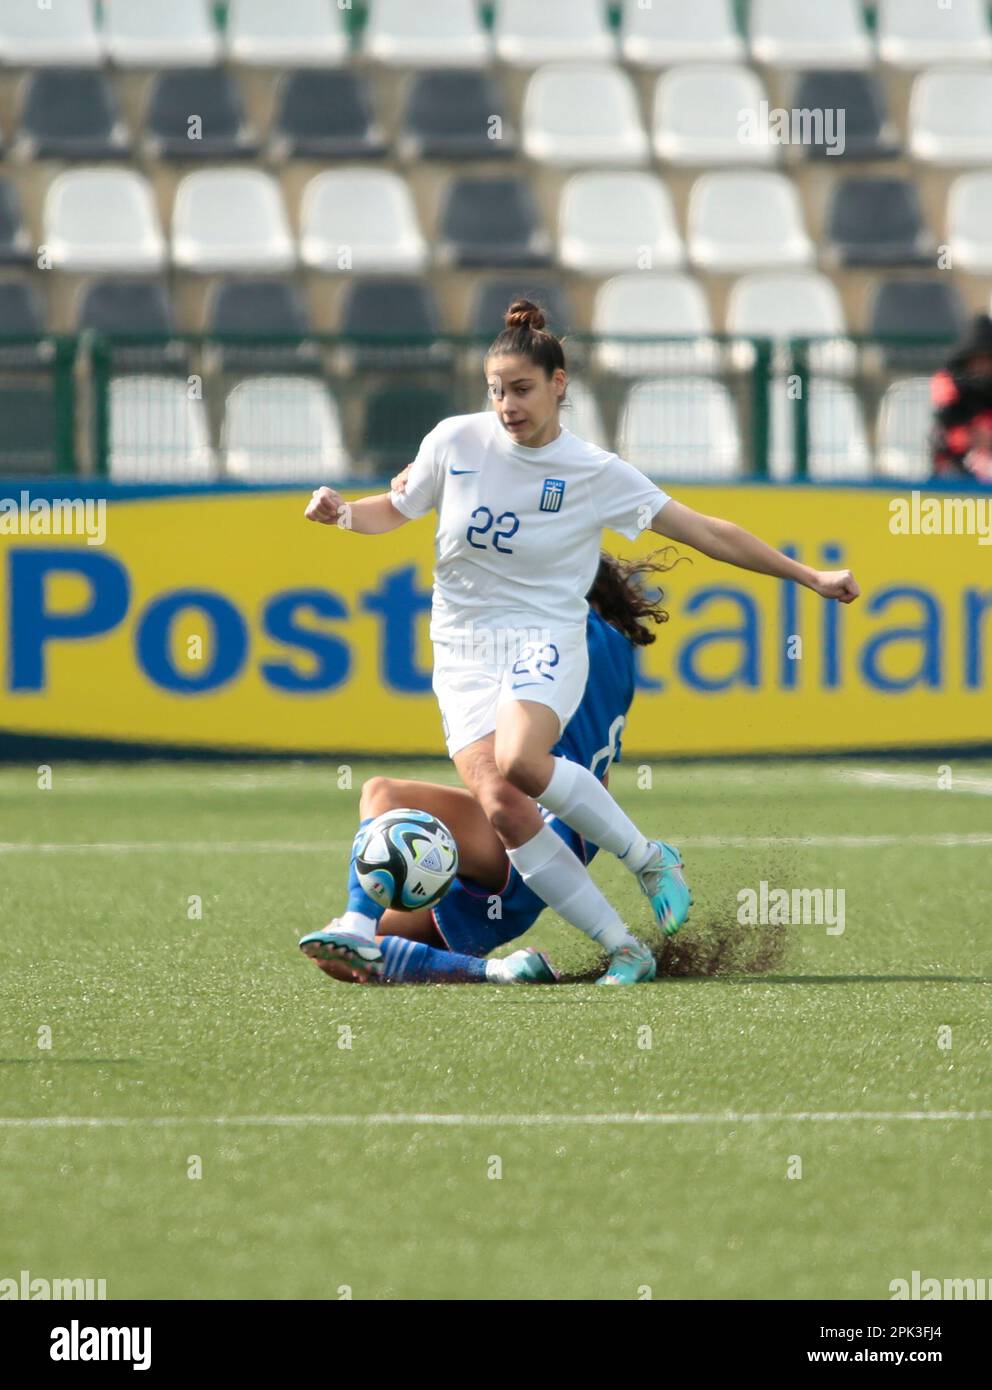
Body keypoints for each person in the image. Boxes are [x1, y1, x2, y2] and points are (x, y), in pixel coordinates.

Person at [305, 299, 860, 984]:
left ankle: (649, 857)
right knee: (500, 798)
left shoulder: (594, 472)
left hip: (544, 640)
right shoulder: (454, 441)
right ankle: (618, 948)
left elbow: (707, 531)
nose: (507, 404)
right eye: (496, 391)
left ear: (559, 383)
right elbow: (396, 508)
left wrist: (808, 576)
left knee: (518, 761)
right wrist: (344, 515)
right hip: (462, 656)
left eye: (522, 389)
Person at [300, 551, 674, 985]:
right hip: (539, 857)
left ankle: (369, 926)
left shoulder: (571, 634)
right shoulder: (610, 656)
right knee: (338, 955)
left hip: (523, 837)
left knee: (384, 794)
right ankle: (503, 969)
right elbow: (595, 786)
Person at [930, 313, 992, 483]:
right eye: (977, 362)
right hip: (959, 484)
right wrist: (969, 436)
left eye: (987, 361)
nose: (982, 368)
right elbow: (945, 441)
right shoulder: (953, 397)